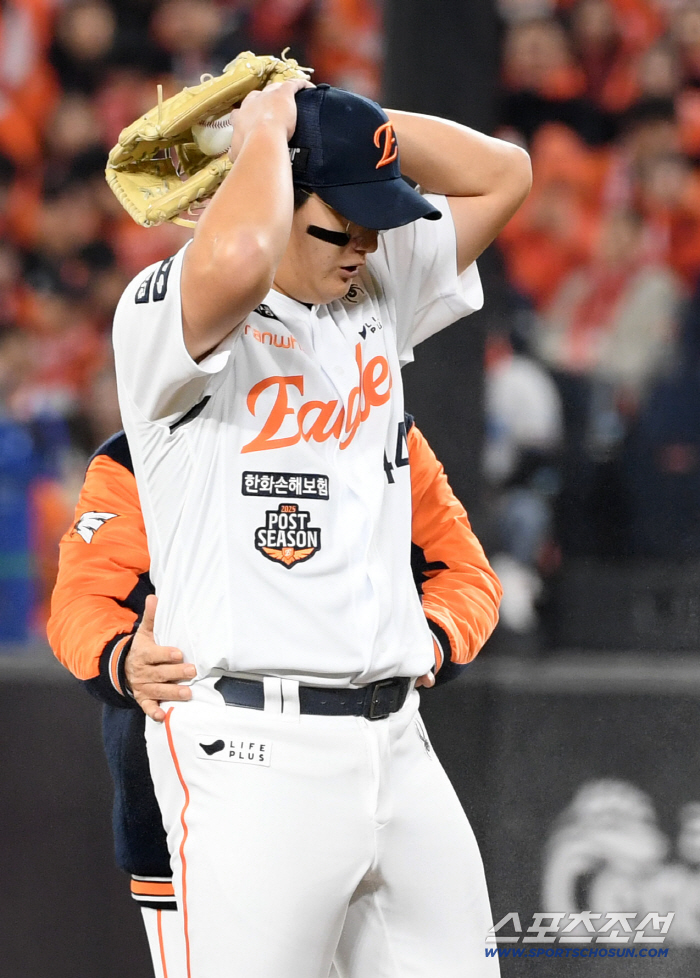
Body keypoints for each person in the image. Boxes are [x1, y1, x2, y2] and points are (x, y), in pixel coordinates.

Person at [109, 78, 530, 977]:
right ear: (263, 193)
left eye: (375, 224)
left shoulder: (368, 284)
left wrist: (332, 117)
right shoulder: (166, 311)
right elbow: (239, 259)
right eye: (339, 226)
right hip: (253, 751)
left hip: (397, 742)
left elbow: (505, 174)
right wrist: (261, 135)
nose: (366, 247)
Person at [49, 417, 502, 978]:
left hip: (380, 746)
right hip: (198, 767)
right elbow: (84, 598)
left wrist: (429, 637)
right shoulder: (145, 446)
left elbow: (464, 571)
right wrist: (120, 657)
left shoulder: (384, 430)